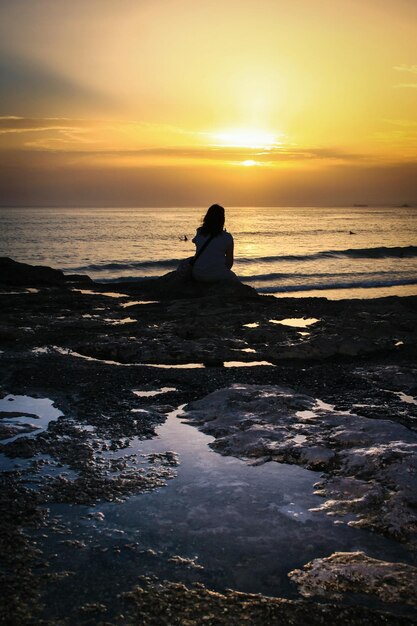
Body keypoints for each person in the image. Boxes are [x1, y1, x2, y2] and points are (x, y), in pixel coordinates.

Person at [191, 204, 238, 282]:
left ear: (207, 217)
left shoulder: (199, 232)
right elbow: (229, 263)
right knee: (237, 283)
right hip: (217, 274)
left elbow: (194, 241)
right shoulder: (227, 237)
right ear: (222, 219)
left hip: (197, 274)